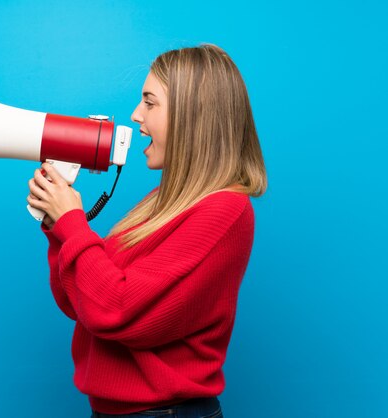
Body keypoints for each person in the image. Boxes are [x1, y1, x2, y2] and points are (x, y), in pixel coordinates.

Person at [27, 43, 267, 418]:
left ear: (193, 115)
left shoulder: (225, 210)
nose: (136, 116)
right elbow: (82, 304)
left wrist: (73, 222)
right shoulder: (164, 202)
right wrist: (57, 225)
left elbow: (116, 310)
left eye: (150, 103)